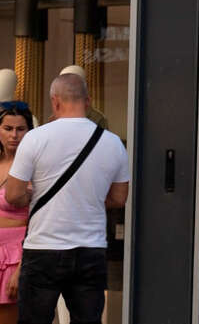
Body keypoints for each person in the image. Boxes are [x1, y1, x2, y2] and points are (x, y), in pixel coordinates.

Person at [4, 74, 129, 324]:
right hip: (90, 249)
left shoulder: (36, 138)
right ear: (88, 101)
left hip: (43, 249)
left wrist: (33, 194)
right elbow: (118, 198)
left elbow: (14, 194)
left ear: (55, 101)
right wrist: (86, 199)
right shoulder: (112, 142)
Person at [0, 102, 32, 324]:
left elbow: (41, 220)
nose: (14, 135)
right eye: (8, 128)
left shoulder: (35, 167)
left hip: (16, 256)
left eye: (20, 129)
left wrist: (23, 267)